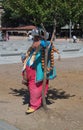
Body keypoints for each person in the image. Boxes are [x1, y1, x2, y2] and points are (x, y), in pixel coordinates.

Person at [21, 29, 59, 114]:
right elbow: (29, 55)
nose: (34, 40)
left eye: (37, 38)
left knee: (35, 89)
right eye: (34, 38)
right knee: (31, 88)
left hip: (36, 72)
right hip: (29, 70)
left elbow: (49, 44)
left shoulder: (45, 46)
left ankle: (34, 105)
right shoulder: (33, 48)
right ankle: (37, 101)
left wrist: (41, 43)